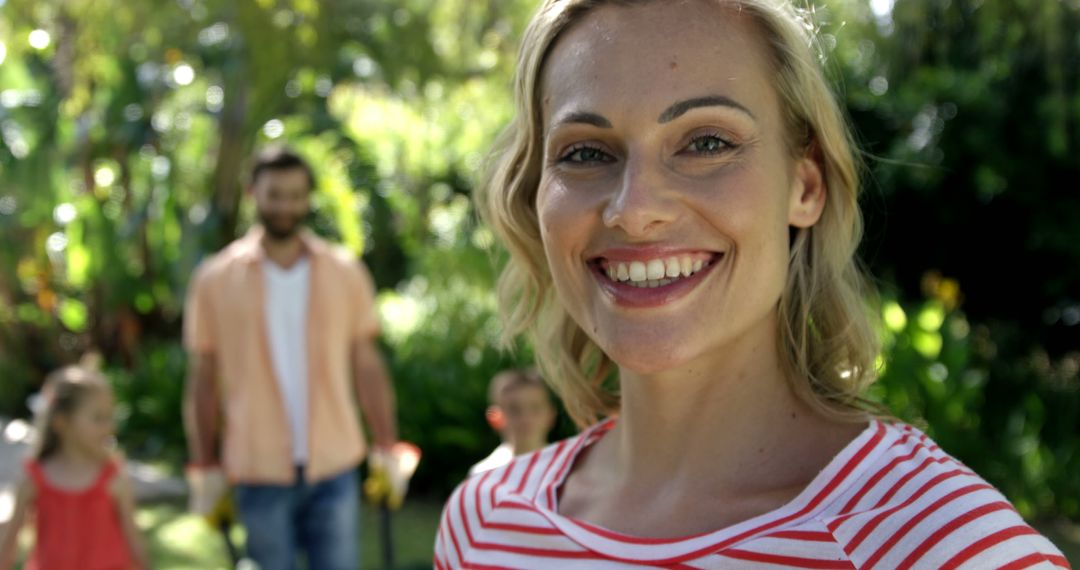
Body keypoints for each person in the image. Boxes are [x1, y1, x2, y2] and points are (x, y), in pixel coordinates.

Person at [435, 1, 1071, 568]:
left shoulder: (939, 547)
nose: (634, 209)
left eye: (706, 142)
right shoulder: (483, 526)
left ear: (805, 187)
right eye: (585, 152)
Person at [183, 145, 400, 570]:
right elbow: (203, 379)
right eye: (275, 194)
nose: (286, 206)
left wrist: (387, 445)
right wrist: (204, 462)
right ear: (253, 194)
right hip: (257, 468)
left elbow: (367, 365)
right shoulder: (214, 279)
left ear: (308, 198)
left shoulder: (345, 271)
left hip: (335, 465)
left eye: (296, 195)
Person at [0, 366, 149, 570]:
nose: (109, 427)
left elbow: (134, 543)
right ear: (62, 422)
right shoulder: (34, 478)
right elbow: (8, 543)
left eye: (109, 417)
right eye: (98, 418)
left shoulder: (114, 477)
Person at [468, 368, 557, 476]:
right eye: (514, 409)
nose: (526, 418)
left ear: (551, 415)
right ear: (494, 417)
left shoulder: (565, 466)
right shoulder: (482, 475)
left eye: (535, 408)